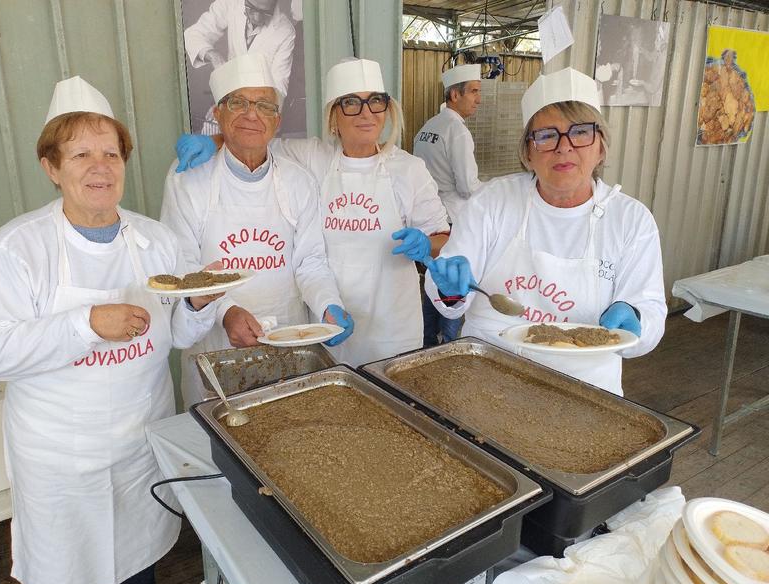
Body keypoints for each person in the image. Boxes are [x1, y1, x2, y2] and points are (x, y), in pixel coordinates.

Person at [0, 76, 222, 584]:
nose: (100, 166)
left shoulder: (156, 239)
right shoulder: (18, 248)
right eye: (80, 153)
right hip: (59, 457)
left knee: (136, 567)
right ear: (52, 167)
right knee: (64, 574)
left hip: (136, 444)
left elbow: (176, 334)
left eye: (111, 152)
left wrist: (199, 303)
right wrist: (86, 324)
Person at [174, 58, 451, 366]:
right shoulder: (312, 157)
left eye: (376, 102)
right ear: (334, 116)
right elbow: (253, 138)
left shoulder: (409, 169)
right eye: (351, 103)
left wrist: (428, 244)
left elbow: (442, 235)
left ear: (387, 109)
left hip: (392, 328)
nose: (366, 113)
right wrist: (213, 141)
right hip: (324, 323)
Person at [424, 67, 667, 396]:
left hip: (585, 388)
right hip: (489, 376)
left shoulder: (630, 220)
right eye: (547, 135)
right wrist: (450, 287)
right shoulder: (492, 202)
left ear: (601, 146)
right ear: (528, 151)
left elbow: (650, 310)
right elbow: (449, 296)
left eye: (580, 132)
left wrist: (637, 318)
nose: (564, 147)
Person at [162, 54, 353, 405]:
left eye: (264, 105)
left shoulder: (298, 181)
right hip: (218, 347)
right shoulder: (188, 179)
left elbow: (310, 262)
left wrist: (328, 305)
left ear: (276, 121)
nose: (252, 114)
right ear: (218, 113)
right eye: (239, 102)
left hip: (288, 340)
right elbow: (183, 267)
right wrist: (227, 312)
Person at [413, 63, 483, 346]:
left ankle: (428, 339)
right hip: (452, 219)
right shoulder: (458, 131)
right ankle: (448, 344)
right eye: (474, 92)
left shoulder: (427, 127)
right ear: (455, 95)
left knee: (432, 280)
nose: (478, 99)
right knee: (452, 283)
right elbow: (468, 187)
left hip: (428, 218)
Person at [184, 0, 295, 133]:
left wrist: (241, 106)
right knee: (209, 143)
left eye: (266, 12)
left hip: (260, 113)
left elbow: (278, 90)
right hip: (227, 99)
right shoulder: (231, 4)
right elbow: (193, 34)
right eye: (251, 8)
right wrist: (214, 56)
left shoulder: (285, 31)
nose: (257, 18)